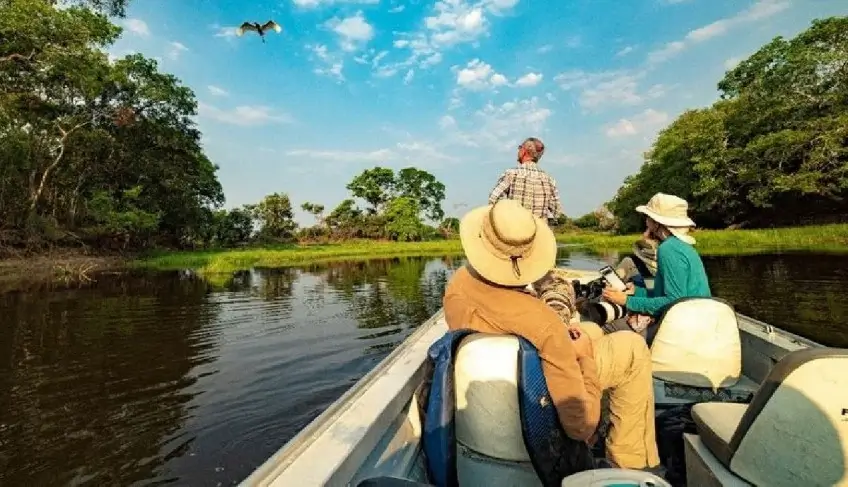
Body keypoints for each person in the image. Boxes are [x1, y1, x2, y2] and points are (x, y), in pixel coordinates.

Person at [443, 199, 660, 470]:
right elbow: (580, 425)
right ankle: (630, 464)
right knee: (631, 347)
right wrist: (584, 360)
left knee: (591, 329)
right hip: (536, 397)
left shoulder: (458, 285)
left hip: (504, 381)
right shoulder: (543, 322)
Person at [602, 193, 711, 324]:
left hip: (685, 325)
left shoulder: (668, 249)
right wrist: (637, 291)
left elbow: (673, 301)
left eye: (648, 217)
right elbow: (668, 293)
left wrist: (626, 300)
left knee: (606, 325)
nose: (646, 221)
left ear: (657, 223)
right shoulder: (683, 246)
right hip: (697, 318)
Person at [488, 137, 563, 226]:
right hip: (538, 233)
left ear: (524, 151)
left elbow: (493, 199)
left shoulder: (511, 174)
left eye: (520, 148)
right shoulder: (549, 180)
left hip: (514, 230)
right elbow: (556, 211)